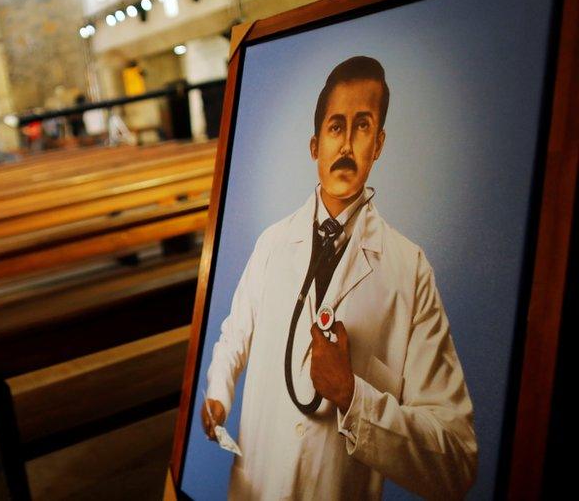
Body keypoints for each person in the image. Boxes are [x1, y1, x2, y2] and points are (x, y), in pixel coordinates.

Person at [201, 57, 477, 499]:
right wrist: (218, 391)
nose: (346, 144)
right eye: (336, 127)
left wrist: (353, 396)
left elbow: (457, 463)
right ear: (315, 145)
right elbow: (236, 333)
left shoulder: (409, 269)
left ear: (379, 143)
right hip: (256, 486)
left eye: (362, 126)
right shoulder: (272, 243)